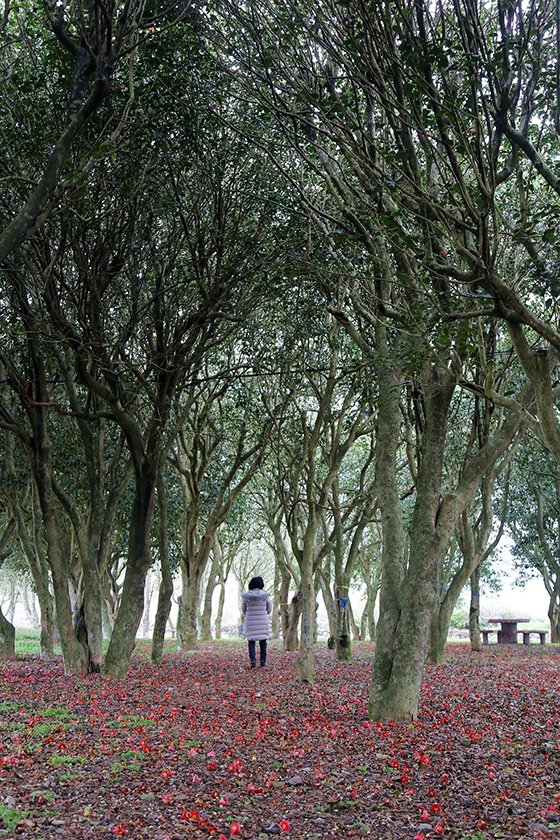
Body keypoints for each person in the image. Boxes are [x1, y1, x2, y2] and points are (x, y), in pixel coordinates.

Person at [241, 576, 272, 669]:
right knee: (263, 641)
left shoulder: (246, 596)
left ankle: (253, 662)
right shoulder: (265, 596)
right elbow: (269, 609)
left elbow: (243, 610)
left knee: (251, 642)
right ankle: (262, 661)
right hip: (262, 621)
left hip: (250, 621)